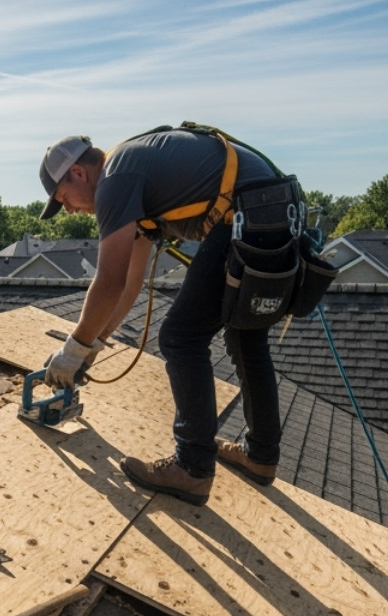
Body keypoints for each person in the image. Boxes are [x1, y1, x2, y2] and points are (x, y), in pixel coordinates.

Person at [39, 128, 287, 506]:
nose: (70, 209)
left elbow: (109, 280)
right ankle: (260, 456)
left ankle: (192, 468)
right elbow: (128, 286)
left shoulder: (115, 179)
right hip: (275, 212)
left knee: (179, 338)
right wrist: (93, 346)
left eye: (63, 199)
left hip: (248, 216)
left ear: (77, 173)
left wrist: (72, 351)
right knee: (244, 336)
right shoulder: (134, 183)